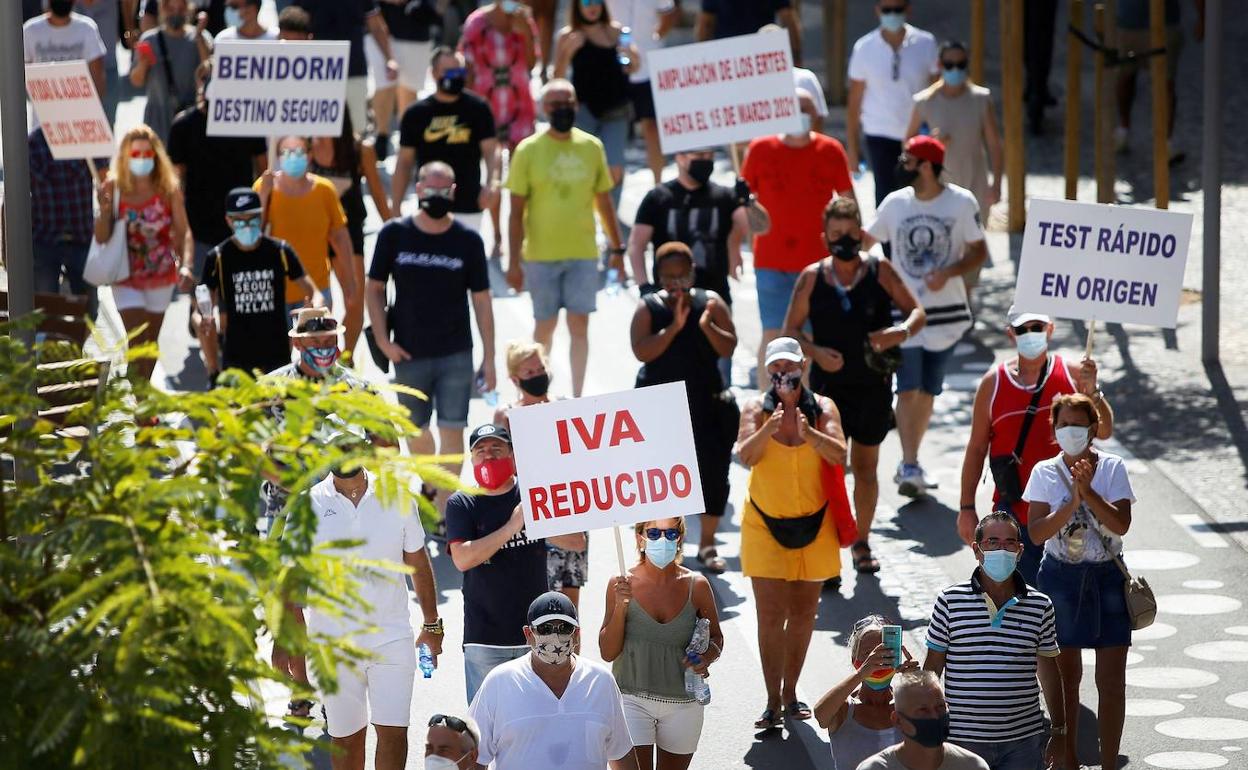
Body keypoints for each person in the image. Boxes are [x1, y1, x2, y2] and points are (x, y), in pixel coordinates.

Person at [270, 432, 444, 770]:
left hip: (392, 637)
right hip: (332, 644)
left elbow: (418, 564)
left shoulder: (397, 496)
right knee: (346, 739)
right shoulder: (306, 505)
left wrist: (432, 624)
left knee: (393, 733)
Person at [783, 197, 924, 577]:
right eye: (836, 234)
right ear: (824, 237)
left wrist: (900, 332)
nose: (844, 240)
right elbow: (790, 331)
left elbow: (917, 312)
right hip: (828, 391)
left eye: (850, 233)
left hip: (873, 386)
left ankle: (861, 540)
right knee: (829, 468)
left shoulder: (879, 270)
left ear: (862, 233)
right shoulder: (812, 277)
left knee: (866, 467)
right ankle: (829, 549)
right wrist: (814, 351)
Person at [862, 135, 986, 497]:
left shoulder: (962, 203)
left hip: (946, 316)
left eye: (910, 159)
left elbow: (979, 251)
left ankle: (911, 460)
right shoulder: (894, 204)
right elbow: (864, 245)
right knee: (909, 386)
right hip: (906, 316)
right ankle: (910, 461)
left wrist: (948, 272)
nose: (902, 164)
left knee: (929, 389)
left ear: (928, 166)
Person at [736, 337, 849, 729]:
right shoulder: (754, 408)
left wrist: (810, 434)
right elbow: (745, 455)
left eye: (790, 365)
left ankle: (790, 693)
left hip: (816, 525)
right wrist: (769, 428)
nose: (783, 373)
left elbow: (840, 453)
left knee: (802, 615)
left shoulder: (822, 408)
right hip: (764, 524)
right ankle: (771, 701)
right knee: (770, 614)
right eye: (776, 367)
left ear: (802, 366)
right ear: (768, 371)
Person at [958, 307, 1114, 585]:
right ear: (1011, 335)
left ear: (1050, 330)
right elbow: (977, 448)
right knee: (1020, 605)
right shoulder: (992, 384)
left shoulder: (1075, 375)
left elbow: (1103, 430)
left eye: (1037, 328)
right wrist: (966, 508)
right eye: (1022, 330)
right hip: (1016, 517)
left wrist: (1093, 392)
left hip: (1072, 514)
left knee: (1069, 604)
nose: (1030, 335)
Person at [1023, 393, 1135, 770]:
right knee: (1066, 679)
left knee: (1111, 680)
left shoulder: (1113, 467)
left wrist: (1088, 493)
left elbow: (1121, 524)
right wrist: (1071, 502)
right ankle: (1068, 757)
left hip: (1106, 578)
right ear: (1054, 430)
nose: (1071, 431)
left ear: (1092, 429)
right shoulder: (1043, 472)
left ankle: (1107, 763)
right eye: (1064, 424)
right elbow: (1036, 533)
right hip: (1060, 579)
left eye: (1078, 424)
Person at [366, 162, 494, 487]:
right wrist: (382, 340)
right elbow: (374, 287)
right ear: (418, 189)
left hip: (456, 354)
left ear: (453, 193)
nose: (436, 195)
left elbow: (482, 300)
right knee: (416, 432)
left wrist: (489, 358)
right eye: (430, 189)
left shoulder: (468, 241)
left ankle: (444, 507)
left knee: (453, 430)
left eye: (443, 190)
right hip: (408, 354)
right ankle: (431, 487)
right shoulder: (394, 234)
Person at [505, 79, 623, 398]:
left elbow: (604, 201)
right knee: (544, 328)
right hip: (540, 256)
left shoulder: (591, 147)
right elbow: (515, 212)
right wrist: (512, 261)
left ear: (577, 105)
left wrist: (617, 247)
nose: (563, 110)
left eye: (568, 103)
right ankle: (537, 394)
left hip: (583, 252)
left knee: (579, 325)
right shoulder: (528, 151)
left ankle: (578, 395)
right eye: (556, 104)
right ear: (544, 109)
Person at [923, 511, 1062, 770]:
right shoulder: (949, 601)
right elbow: (932, 669)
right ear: (977, 550)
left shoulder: (1040, 606)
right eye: (992, 542)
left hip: (1023, 742)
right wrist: (925, 726)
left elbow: (1050, 673)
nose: (1002, 549)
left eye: (1009, 543)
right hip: (962, 741)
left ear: (1020, 551)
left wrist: (1060, 730)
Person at [631, 243, 738, 573]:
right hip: (660, 407)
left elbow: (729, 345)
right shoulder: (649, 307)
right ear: (659, 277)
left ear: (692, 273)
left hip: (704, 402)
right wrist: (674, 328)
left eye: (682, 276)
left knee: (712, 476)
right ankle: (663, 547)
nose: (676, 283)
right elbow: (641, 351)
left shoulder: (710, 302)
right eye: (669, 277)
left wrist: (706, 327)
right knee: (661, 480)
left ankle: (707, 545)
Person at [741, 88, 854, 382]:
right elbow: (743, 208)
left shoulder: (831, 151)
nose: (800, 114)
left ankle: (803, 409)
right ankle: (767, 410)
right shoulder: (759, 149)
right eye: (794, 107)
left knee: (809, 340)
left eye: (806, 108)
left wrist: (851, 252)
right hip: (771, 262)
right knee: (772, 336)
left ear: (816, 114)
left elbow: (848, 205)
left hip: (818, 268)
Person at [600, 517, 724, 770]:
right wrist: (621, 608)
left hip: (684, 703)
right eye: (654, 533)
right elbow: (607, 652)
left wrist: (706, 658)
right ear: (640, 538)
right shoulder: (619, 583)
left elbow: (717, 639)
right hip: (629, 700)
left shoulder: (697, 585)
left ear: (679, 538)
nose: (663, 540)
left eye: (670, 533)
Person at [469, 591, 640, 770]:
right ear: (528, 634)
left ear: (576, 634)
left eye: (564, 628)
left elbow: (621, 755)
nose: (555, 637)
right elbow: (475, 759)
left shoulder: (601, 682)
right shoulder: (499, 682)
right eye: (545, 629)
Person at [445, 425, 549, 703]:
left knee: (538, 724)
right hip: (484, 639)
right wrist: (513, 526)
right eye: (481, 450)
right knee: (486, 730)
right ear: (472, 459)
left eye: (496, 449)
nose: (488, 456)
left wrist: (542, 514)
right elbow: (463, 558)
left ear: (513, 455)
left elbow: (575, 541)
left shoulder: (533, 495)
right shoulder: (462, 503)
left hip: (536, 634)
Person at [93, 124, 192, 384]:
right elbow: (101, 237)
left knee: (150, 343)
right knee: (137, 341)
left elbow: (184, 231)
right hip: (125, 275)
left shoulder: (168, 188)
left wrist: (186, 265)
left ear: (156, 156)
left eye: (147, 154)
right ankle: (141, 407)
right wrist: (103, 211)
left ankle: (142, 395)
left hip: (161, 275)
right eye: (136, 154)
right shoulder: (113, 188)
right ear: (125, 157)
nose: (142, 160)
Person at [906, 40, 1003, 292]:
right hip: (938, 188)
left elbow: (994, 144)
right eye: (949, 64)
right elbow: (908, 146)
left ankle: (966, 299)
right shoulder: (924, 101)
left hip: (975, 185)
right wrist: (930, 143)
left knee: (973, 246)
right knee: (943, 245)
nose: (955, 69)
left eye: (960, 64)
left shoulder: (981, 99)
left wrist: (997, 184)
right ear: (940, 66)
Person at [194, 188, 319, 381]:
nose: (246, 225)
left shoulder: (280, 251)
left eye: (252, 219)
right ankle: (212, 376)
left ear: (261, 217)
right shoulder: (218, 257)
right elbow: (202, 301)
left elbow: (313, 291)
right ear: (229, 221)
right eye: (240, 220)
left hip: (276, 354)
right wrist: (204, 316)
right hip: (237, 356)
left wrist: (313, 308)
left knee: (278, 409)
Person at [167, 61, 268, 282]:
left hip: (242, 228)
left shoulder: (248, 123)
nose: (210, 83)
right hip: (199, 230)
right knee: (201, 302)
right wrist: (177, 229)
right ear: (198, 83)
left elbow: (263, 172)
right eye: (204, 78)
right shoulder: (183, 125)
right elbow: (175, 182)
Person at [255, 136, 360, 344]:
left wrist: (350, 279)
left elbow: (339, 236)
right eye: (287, 152)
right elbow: (252, 235)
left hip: (317, 292)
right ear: (278, 158)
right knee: (279, 363)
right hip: (275, 291)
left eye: (299, 152)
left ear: (310, 155)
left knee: (317, 357)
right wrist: (264, 194)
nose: (293, 157)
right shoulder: (263, 187)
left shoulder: (324, 190)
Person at [459, 0, 540, 256]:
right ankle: (496, 235)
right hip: (487, 106)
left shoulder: (524, 20)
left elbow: (531, 64)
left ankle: (520, 235)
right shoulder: (476, 23)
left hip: (519, 105)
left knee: (521, 176)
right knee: (494, 174)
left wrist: (524, 32)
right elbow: (468, 69)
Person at [391, 48, 499, 235]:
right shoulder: (416, 114)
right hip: (428, 207)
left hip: (468, 205)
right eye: (448, 72)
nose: (455, 77)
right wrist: (396, 206)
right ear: (433, 74)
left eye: (459, 72)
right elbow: (404, 162)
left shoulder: (478, 108)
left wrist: (492, 183)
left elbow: (491, 150)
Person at [311, 113, 391, 354]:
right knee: (316, 302)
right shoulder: (304, 148)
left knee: (355, 300)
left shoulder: (361, 151)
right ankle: (318, 354)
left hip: (348, 231)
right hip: (314, 233)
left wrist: (394, 230)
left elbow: (377, 193)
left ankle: (347, 357)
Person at [847, 1, 939, 207]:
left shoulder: (926, 43)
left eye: (898, 9)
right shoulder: (864, 48)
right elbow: (854, 103)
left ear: (908, 9)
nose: (892, 15)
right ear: (877, 10)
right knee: (886, 199)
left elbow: (937, 91)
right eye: (887, 10)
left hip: (918, 135)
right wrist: (852, 149)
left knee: (921, 196)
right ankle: (888, 241)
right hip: (879, 134)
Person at [629, 148, 747, 306]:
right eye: (700, 155)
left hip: (716, 297)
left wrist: (748, 202)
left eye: (710, 155)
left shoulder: (724, 196)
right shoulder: (657, 198)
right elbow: (636, 245)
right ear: (680, 158)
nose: (706, 160)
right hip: (669, 299)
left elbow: (758, 228)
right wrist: (644, 287)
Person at [553, 0, 640, 211]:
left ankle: (612, 225)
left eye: (597, 2)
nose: (592, 7)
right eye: (586, 2)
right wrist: (567, 53)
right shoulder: (568, 35)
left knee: (615, 169)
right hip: (583, 111)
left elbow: (633, 68)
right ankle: (582, 214)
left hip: (616, 110)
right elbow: (557, 78)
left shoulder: (617, 32)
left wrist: (631, 57)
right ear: (577, 6)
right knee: (581, 167)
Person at [814, 614, 911, 770]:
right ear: (855, 660)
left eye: (884, 652)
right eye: (868, 655)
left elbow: (938, 728)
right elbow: (820, 715)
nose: (876, 661)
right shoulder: (845, 708)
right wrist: (861, 674)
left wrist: (917, 682)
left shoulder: (908, 705)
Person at [1114, 0, 1204, 161]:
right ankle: (1123, 129)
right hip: (1129, 24)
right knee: (1125, 78)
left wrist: (1203, 17)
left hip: (1164, 26)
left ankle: (1165, 142)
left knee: (1165, 84)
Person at [292, 0, 397, 135]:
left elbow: (375, 25)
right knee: (319, 132)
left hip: (354, 70)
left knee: (357, 131)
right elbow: (295, 25)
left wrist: (390, 59)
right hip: (317, 75)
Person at [29, 127, 102, 313]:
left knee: (89, 310)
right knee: (44, 311)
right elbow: (15, 194)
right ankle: (49, 340)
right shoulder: (33, 144)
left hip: (81, 237)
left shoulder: (84, 139)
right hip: (45, 240)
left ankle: (77, 341)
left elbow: (105, 174)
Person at [855, 670, 990, 770]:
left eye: (940, 707)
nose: (935, 716)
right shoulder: (875, 768)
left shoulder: (974, 766)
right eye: (923, 710)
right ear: (897, 720)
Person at [607, 0, 679, 184]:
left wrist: (655, 37)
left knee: (651, 126)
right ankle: (609, 188)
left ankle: (658, 182)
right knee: (613, 125)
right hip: (612, 62)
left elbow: (669, 13)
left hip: (648, 63)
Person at [130, 0, 212, 143]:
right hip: (157, 122)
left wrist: (199, 36)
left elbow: (209, 72)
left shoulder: (200, 37)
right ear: (162, 9)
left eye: (181, 9)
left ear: (188, 10)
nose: (176, 13)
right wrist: (143, 65)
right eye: (170, 8)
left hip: (189, 122)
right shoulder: (149, 40)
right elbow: (136, 81)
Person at [370, 0, 438, 159]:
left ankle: (406, 141)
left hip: (416, 32)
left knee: (408, 91)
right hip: (381, 29)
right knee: (384, 85)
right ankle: (381, 135)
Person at [23, 0, 107, 115]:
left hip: (79, 116)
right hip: (43, 119)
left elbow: (97, 75)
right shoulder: (30, 30)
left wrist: (92, 112)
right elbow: (24, 73)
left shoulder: (87, 28)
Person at [695, 0, 800, 63]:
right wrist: (796, 59)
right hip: (762, 56)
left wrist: (701, 59)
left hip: (727, 57)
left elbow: (706, 23)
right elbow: (788, 18)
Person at [65, 0, 117, 125]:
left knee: (106, 128)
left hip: (107, 68)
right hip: (72, 75)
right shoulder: (65, 6)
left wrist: (129, 30)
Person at [493, 339, 554, 430]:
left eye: (541, 369)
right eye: (529, 372)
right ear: (515, 380)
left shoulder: (565, 405)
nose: (538, 375)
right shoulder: (505, 415)